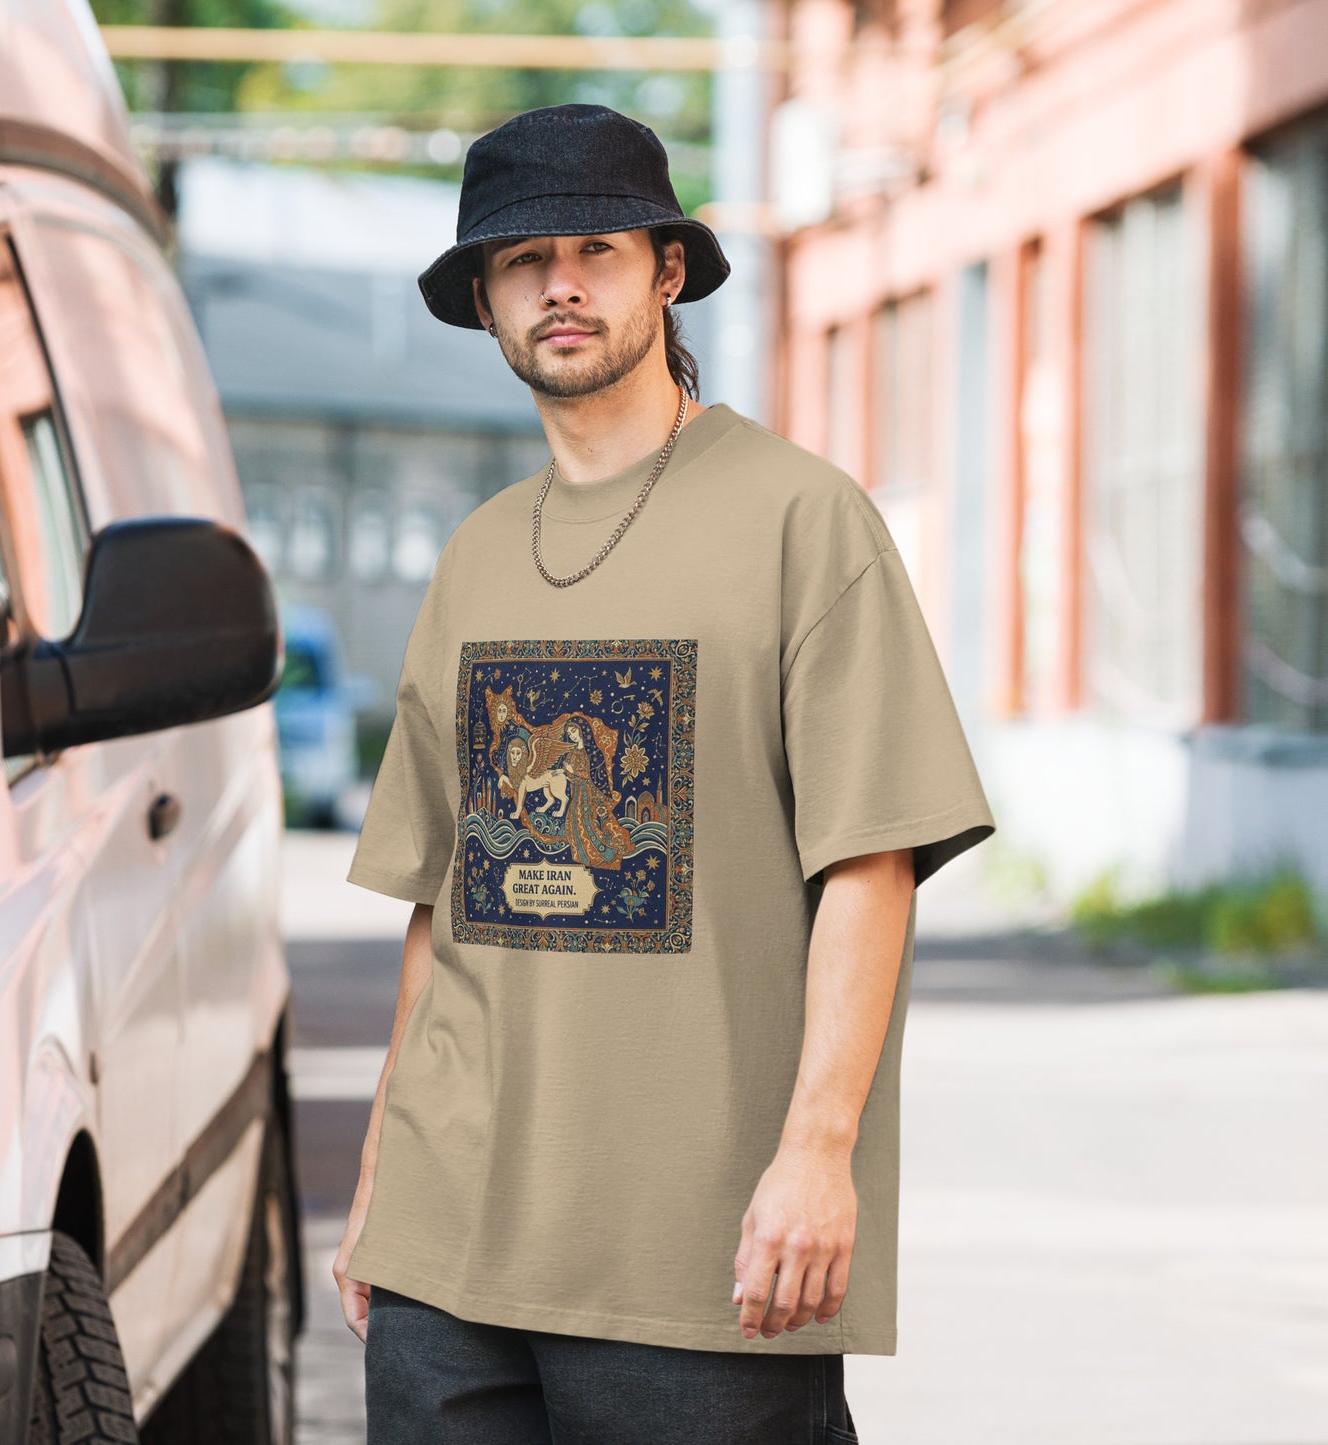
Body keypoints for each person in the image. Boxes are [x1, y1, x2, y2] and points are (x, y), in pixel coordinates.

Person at [334, 102, 996, 1444]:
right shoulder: (471, 555)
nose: (559, 284)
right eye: (521, 261)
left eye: (595, 249)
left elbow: (870, 863)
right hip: (447, 1254)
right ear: (483, 299)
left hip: (701, 1264)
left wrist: (817, 1152)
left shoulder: (802, 519)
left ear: (668, 271)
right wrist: (380, 1175)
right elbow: (439, 900)